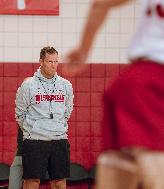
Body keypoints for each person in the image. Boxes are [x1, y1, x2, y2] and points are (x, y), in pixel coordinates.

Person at [67, 0, 164, 188]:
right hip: (154, 86)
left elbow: (100, 4)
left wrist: (83, 50)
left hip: (132, 81)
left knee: (119, 168)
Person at [15, 46, 74, 189]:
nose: (53, 65)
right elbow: (20, 113)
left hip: (59, 139)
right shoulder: (29, 85)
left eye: (56, 61)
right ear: (41, 61)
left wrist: (57, 126)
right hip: (35, 140)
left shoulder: (65, 85)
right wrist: (33, 130)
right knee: (32, 182)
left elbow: (68, 111)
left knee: (59, 182)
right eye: (49, 61)